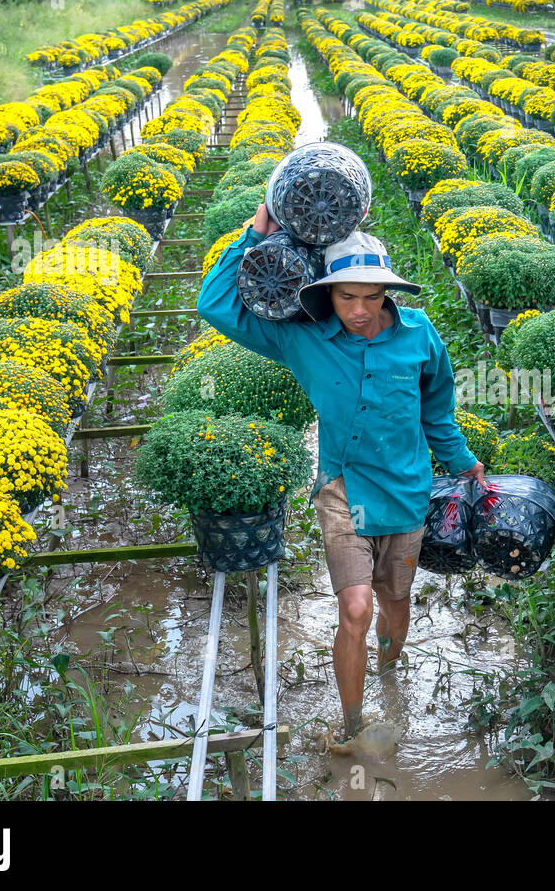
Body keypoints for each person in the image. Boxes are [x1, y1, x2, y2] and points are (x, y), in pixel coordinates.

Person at [196, 201, 486, 748]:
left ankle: (388, 671)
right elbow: (212, 304)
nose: (359, 309)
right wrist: (258, 228)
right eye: (346, 296)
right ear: (325, 294)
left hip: (405, 492)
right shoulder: (301, 338)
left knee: (395, 602)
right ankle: (354, 726)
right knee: (355, 606)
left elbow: (436, 413)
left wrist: (465, 465)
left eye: (371, 296)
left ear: (387, 294)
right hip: (343, 491)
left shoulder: (419, 336)